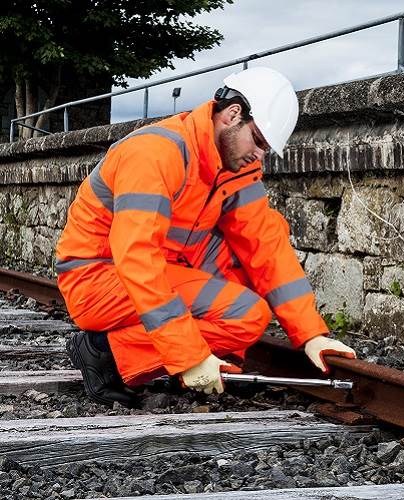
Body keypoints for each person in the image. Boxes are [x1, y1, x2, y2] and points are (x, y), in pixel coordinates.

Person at [56, 66, 356, 407]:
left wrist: (311, 335)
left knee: (247, 262)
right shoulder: (156, 153)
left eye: (266, 149)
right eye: (258, 140)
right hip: (97, 276)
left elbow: (266, 248)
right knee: (246, 313)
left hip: (165, 268)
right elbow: (138, 259)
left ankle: (220, 360)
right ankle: (104, 353)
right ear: (232, 114)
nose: (259, 155)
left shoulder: (237, 169)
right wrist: (188, 353)